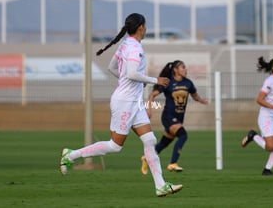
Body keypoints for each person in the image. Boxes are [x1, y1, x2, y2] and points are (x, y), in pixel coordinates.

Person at [59, 13, 183, 197]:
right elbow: (132, 73)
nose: (146, 28)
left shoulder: (126, 44)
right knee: (115, 146)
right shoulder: (135, 48)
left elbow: (112, 68)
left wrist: (130, 81)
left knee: (149, 140)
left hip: (134, 103)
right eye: (146, 25)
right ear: (141, 27)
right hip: (125, 103)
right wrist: (153, 80)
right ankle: (71, 155)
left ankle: (161, 185)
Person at [140, 60, 208, 175]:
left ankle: (146, 157)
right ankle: (173, 163)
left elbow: (195, 96)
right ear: (175, 70)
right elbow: (152, 95)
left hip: (179, 118)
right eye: (182, 67)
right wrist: (149, 109)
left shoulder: (188, 83)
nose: (185, 69)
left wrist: (201, 100)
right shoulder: (169, 82)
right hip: (168, 117)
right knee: (183, 135)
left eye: (185, 67)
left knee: (164, 143)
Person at [241, 56, 273, 176]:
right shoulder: (269, 81)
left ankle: (267, 170)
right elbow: (259, 99)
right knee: (270, 147)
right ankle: (252, 136)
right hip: (267, 117)